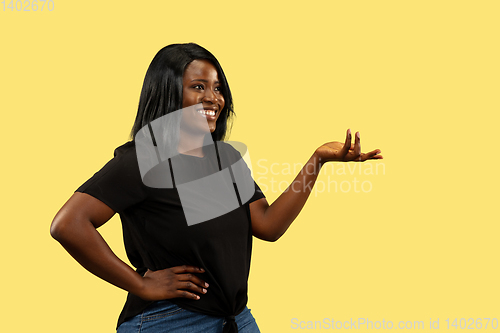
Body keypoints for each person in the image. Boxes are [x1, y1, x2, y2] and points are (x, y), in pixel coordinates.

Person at [50, 43, 383, 333]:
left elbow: (267, 225)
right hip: (170, 322)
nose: (213, 98)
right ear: (168, 93)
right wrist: (140, 284)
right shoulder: (143, 160)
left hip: (235, 319)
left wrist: (318, 160)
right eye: (198, 86)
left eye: (218, 88)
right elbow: (68, 224)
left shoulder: (224, 160)